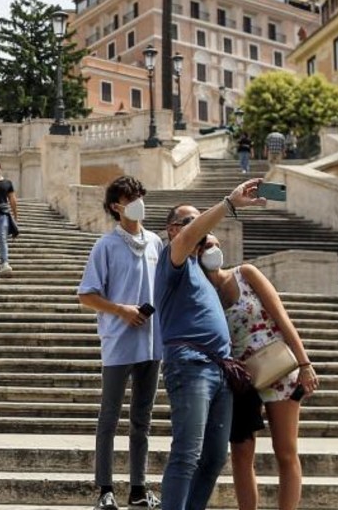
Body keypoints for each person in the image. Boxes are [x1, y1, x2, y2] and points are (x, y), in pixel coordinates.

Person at [158, 179, 266, 510]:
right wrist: (227, 205)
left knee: (215, 457)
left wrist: (211, 258)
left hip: (221, 369)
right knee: (187, 453)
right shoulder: (172, 257)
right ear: (173, 230)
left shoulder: (200, 271)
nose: (198, 227)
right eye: (190, 221)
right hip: (190, 364)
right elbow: (190, 237)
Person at [198, 234, 318, 510]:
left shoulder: (246, 274)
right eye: (206, 246)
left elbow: (281, 316)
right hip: (240, 380)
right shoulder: (201, 293)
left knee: (285, 450)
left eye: (217, 244)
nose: (214, 250)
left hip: (279, 368)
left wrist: (305, 363)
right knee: (241, 453)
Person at [77, 176, 164, 510]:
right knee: (109, 416)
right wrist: (120, 310)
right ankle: (104, 488)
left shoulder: (156, 242)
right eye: (131, 196)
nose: (138, 200)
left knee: (142, 418)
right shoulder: (106, 245)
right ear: (116, 205)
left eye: (140, 194)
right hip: (118, 340)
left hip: (152, 342)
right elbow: (86, 294)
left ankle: (139, 488)